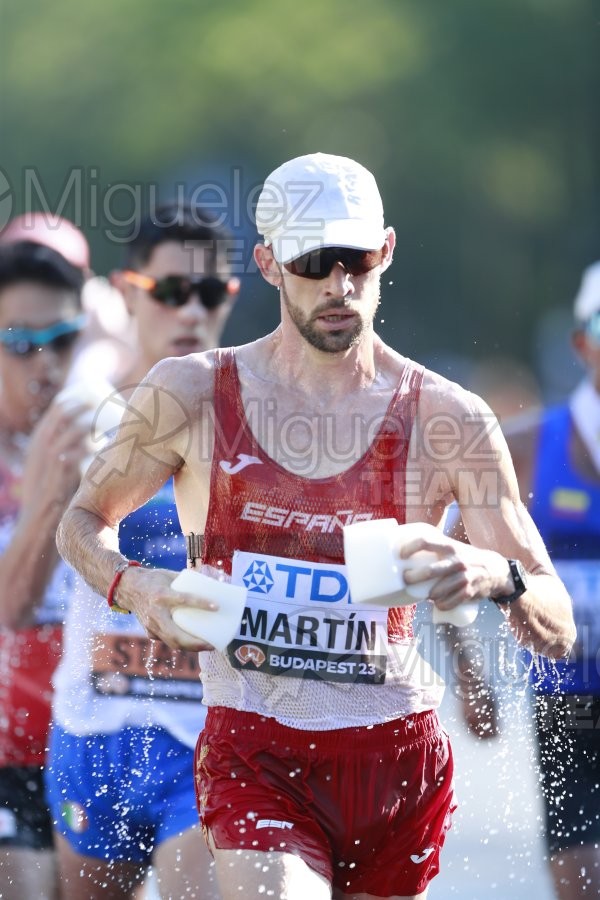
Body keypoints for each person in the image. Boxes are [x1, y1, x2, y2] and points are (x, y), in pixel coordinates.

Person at [56, 152, 576, 900]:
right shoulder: (192, 393)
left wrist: (496, 576)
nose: (339, 285)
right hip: (255, 752)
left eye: (356, 259)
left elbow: (556, 625)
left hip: (396, 761)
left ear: (387, 250)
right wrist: (134, 587)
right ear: (269, 263)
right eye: (312, 261)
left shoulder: (450, 419)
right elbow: (80, 522)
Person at [45, 202, 239, 899]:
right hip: (91, 732)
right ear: (129, 292)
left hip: (204, 742)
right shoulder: (82, 412)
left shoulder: (256, 426)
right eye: (170, 292)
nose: (191, 310)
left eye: (210, 293)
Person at [499, 262, 600, 898]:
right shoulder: (532, 444)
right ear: (582, 342)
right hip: (571, 699)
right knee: (580, 883)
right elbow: (441, 550)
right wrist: (467, 672)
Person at [0, 240, 87, 899]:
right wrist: (46, 505)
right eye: (20, 342)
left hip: (86, 748)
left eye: (62, 339)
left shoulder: (108, 442)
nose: (45, 364)